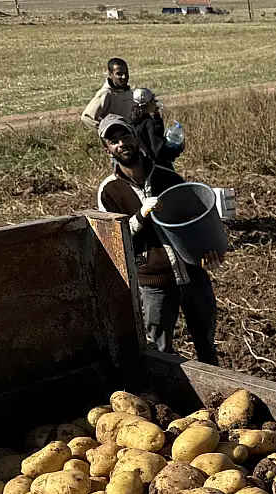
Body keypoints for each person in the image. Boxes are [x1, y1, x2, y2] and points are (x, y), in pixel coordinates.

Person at [95, 115, 220, 365]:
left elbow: (196, 220)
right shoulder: (109, 191)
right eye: (113, 140)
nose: (121, 143)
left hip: (192, 275)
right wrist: (140, 216)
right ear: (106, 149)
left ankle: (216, 396)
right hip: (154, 282)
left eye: (125, 136)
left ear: (135, 137)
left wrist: (210, 252)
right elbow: (116, 242)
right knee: (161, 349)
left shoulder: (168, 178)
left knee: (206, 342)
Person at [130, 88, 183, 171]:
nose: (155, 102)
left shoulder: (135, 120)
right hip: (157, 168)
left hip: (142, 167)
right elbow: (158, 150)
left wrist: (156, 115)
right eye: (153, 100)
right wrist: (176, 149)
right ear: (148, 103)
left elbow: (156, 132)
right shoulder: (148, 123)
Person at [81, 58, 134, 131]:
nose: (124, 77)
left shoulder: (129, 92)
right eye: (119, 74)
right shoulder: (106, 94)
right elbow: (87, 117)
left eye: (126, 73)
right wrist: (107, 132)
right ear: (110, 75)